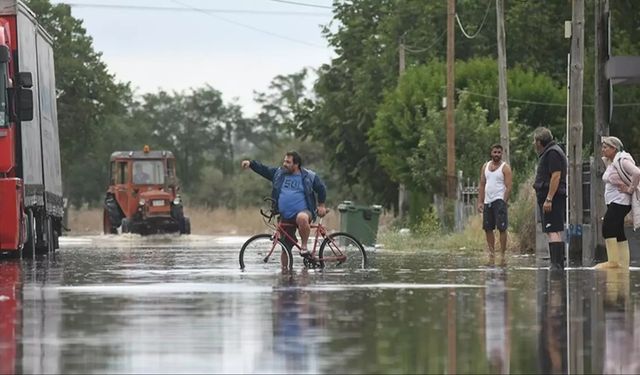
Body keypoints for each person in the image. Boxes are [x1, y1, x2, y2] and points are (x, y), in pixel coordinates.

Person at [241, 151, 327, 258]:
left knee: (302, 218)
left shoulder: (309, 176)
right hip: (285, 216)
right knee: (285, 248)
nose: (284, 164)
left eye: (288, 162)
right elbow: (264, 169)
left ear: (296, 164)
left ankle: (304, 248)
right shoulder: (278, 173)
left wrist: (321, 205)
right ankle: (285, 271)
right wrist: (251, 164)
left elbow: (321, 188)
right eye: (284, 161)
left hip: (304, 211)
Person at [595, 136, 640, 270]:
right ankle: (623, 264)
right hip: (614, 201)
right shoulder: (612, 161)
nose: (602, 150)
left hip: (620, 201)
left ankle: (613, 261)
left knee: (607, 228)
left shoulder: (622, 160)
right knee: (618, 231)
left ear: (614, 148)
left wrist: (630, 189)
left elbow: (637, 172)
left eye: (605, 147)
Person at [532, 127, 567, 270]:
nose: (534, 144)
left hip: (552, 197)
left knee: (552, 229)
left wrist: (549, 198)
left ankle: (556, 264)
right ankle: (557, 262)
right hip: (550, 196)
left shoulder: (552, 153)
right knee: (553, 230)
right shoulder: (552, 151)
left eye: (534, 141)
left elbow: (556, 175)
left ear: (539, 141)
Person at [477, 144, 512, 267]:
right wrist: (480, 202)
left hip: (499, 200)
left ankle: (502, 254)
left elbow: (509, 187)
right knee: (488, 228)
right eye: (495, 152)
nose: (496, 154)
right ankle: (492, 253)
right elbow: (482, 184)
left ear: (501, 154)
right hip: (488, 201)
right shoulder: (485, 167)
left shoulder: (505, 168)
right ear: (491, 153)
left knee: (502, 228)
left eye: (499, 152)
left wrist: (504, 201)